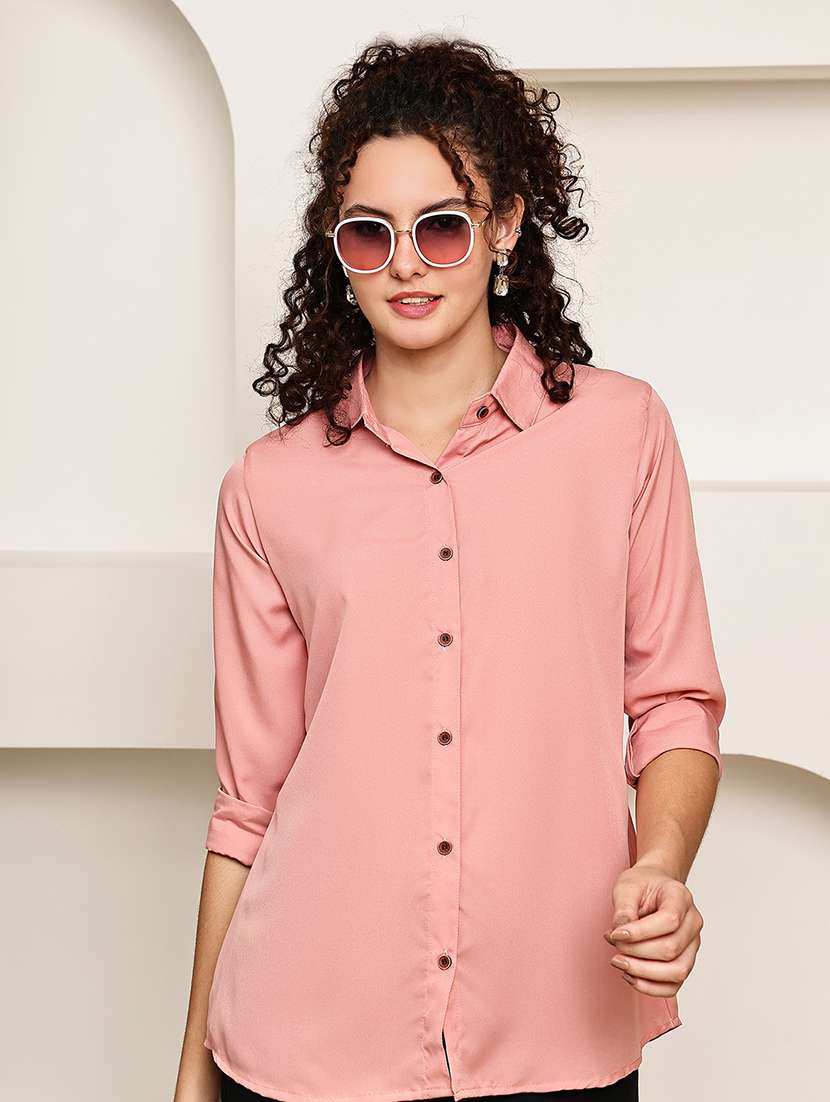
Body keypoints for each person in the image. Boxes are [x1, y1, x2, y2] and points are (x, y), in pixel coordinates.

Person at [174, 34, 726, 1102]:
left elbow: (673, 706)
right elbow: (249, 803)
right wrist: (194, 1070)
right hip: (305, 1044)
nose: (406, 264)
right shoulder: (269, 488)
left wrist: (659, 861)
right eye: (368, 233)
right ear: (335, 247)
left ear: (504, 223)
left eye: (440, 225)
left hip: (551, 1032)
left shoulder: (620, 435)